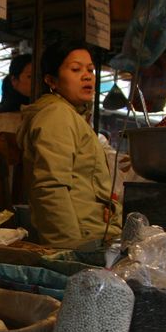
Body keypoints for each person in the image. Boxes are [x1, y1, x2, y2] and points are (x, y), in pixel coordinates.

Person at [17, 40, 121, 248]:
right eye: (75, 69)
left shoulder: (71, 116)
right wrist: (69, 250)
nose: (87, 76)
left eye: (90, 70)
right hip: (83, 241)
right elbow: (50, 187)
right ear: (51, 80)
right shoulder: (57, 115)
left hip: (96, 236)